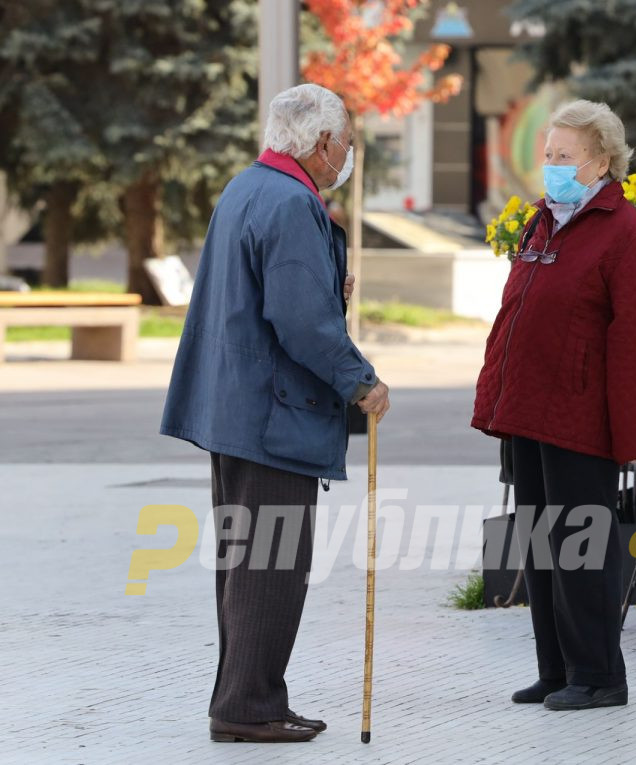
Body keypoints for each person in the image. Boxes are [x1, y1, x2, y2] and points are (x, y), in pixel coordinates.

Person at [160, 84, 390, 743]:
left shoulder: (249, 186)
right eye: (344, 141)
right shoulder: (292, 203)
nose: (346, 153)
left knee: (246, 565)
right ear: (321, 144)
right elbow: (301, 323)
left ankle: (245, 696)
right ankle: (248, 704)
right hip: (272, 417)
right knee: (270, 567)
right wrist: (361, 382)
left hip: (236, 411)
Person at [471, 99, 636, 711]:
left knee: (582, 549)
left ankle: (600, 675)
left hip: (582, 420)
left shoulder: (626, 232)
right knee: (541, 544)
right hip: (527, 410)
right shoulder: (543, 221)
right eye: (547, 154)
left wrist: (626, 434)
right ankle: (556, 670)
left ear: (601, 161)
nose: (551, 165)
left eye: (564, 156)